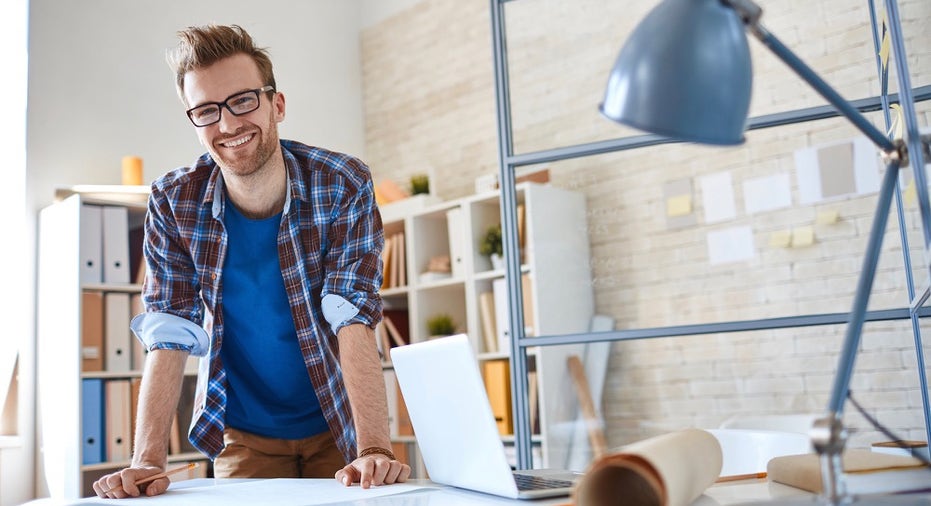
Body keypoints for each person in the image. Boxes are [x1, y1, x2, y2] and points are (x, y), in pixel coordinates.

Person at [93, 24, 409, 498]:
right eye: (206, 111)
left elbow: (353, 314)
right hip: (243, 434)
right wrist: (147, 463)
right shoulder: (173, 201)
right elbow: (169, 329)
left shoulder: (342, 183)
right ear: (194, 124)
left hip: (340, 426)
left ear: (276, 104)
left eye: (243, 101)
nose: (227, 125)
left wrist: (376, 450)